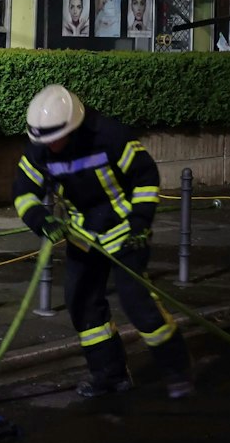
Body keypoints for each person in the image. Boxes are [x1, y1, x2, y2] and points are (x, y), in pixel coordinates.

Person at [12, 85, 193, 399]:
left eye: (55, 139)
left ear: (73, 126)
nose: (50, 147)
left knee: (137, 303)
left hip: (125, 231)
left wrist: (140, 223)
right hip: (83, 235)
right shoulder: (40, 146)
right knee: (82, 304)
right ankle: (109, 375)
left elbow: (145, 176)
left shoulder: (108, 136)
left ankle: (176, 370)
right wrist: (41, 222)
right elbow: (22, 192)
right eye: (44, 141)